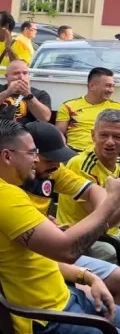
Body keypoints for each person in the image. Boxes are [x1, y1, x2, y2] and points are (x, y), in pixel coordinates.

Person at [0, 119, 120, 334]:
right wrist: (112, 200)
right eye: (31, 153)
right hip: (47, 318)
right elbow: (66, 250)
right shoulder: (1, 196)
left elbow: (34, 258)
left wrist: (87, 276)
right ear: (7, 156)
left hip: (63, 297)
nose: (36, 159)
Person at [57, 109, 120, 263]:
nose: (110, 142)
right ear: (93, 135)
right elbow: (101, 222)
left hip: (111, 231)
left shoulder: (117, 162)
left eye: (117, 136)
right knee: (108, 251)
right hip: (80, 236)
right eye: (104, 135)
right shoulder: (81, 164)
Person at [56, 67, 120, 153]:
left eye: (113, 86)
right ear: (92, 86)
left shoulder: (117, 108)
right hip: (75, 153)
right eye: (108, 86)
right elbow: (58, 133)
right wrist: (65, 150)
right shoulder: (68, 106)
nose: (111, 90)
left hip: (107, 153)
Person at [0, 60, 52, 124]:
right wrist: (7, 92)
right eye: (16, 73)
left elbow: (45, 118)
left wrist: (28, 95)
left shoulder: (40, 94)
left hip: (27, 134)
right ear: (7, 76)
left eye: (25, 73)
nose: (21, 77)